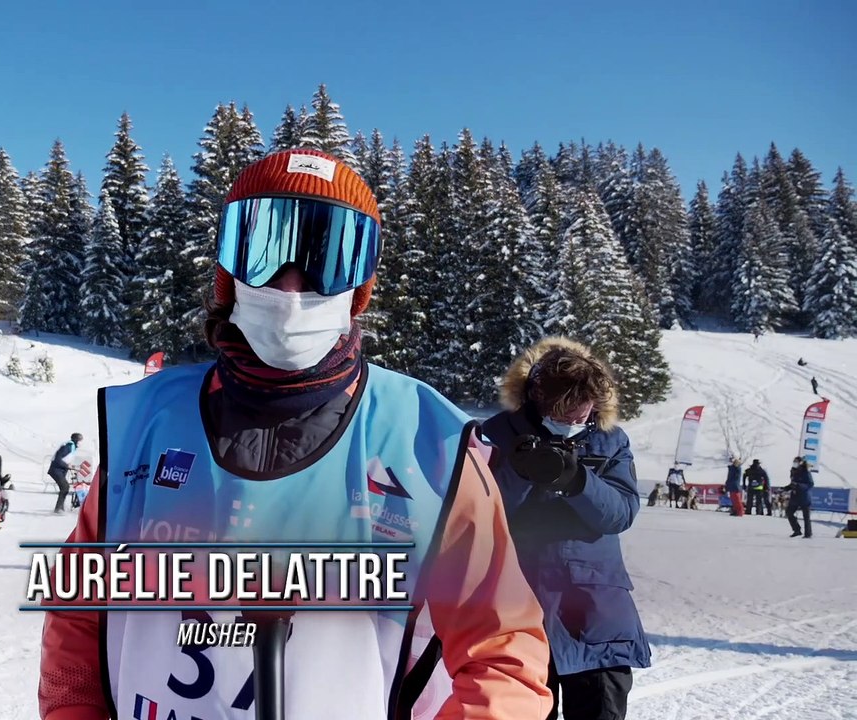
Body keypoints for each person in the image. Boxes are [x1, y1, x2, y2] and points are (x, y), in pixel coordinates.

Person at [38, 149, 551, 720]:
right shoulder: (145, 424)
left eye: (327, 257)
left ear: (360, 288)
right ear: (229, 270)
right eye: (266, 249)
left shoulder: (424, 445)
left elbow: (503, 656)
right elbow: (78, 614)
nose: (290, 285)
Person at [480, 337, 651, 720]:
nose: (574, 423)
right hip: (517, 609)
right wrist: (520, 474)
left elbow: (620, 512)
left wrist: (576, 480)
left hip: (595, 613)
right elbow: (475, 517)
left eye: (582, 415)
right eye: (564, 414)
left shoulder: (611, 441)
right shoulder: (495, 435)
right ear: (537, 399)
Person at [47, 432, 82, 514]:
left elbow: (65, 459)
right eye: (80, 440)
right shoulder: (68, 446)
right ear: (76, 440)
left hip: (60, 470)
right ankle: (58, 509)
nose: (81, 443)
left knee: (64, 488)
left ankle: (60, 507)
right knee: (65, 487)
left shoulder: (72, 447)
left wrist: (70, 466)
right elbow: (58, 459)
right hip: (56, 470)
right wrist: (67, 466)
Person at [785, 457, 814, 538]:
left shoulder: (805, 471)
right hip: (795, 496)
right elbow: (792, 483)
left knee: (806, 516)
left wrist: (799, 485)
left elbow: (810, 484)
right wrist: (786, 488)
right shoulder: (793, 471)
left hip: (804, 497)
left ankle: (808, 534)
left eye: (796, 462)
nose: (795, 463)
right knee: (789, 512)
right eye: (794, 462)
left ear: (800, 463)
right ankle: (797, 530)